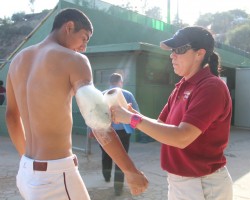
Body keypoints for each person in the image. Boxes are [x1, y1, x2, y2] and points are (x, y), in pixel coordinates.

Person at [5, 8, 148, 200]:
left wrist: (30, 163)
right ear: (69, 27)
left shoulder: (18, 60)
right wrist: (130, 171)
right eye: (84, 38)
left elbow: (12, 117)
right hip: (55, 176)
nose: (84, 47)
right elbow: (98, 123)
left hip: (26, 171)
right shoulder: (74, 60)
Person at [112, 26, 233, 200]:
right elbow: (162, 126)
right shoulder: (183, 85)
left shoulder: (211, 86)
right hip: (183, 182)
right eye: (172, 51)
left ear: (200, 53)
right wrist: (131, 115)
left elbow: (181, 138)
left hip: (202, 184)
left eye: (179, 50)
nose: (172, 55)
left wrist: (132, 118)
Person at [101, 73, 140, 196]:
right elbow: (136, 112)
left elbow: (95, 114)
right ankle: (118, 189)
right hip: (123, 131)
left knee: (106, 153)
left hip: (105, 130)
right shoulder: (127, 94)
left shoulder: (102, 94)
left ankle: (106, 176)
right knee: (121, 157)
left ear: (110, 82)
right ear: (120, 82)